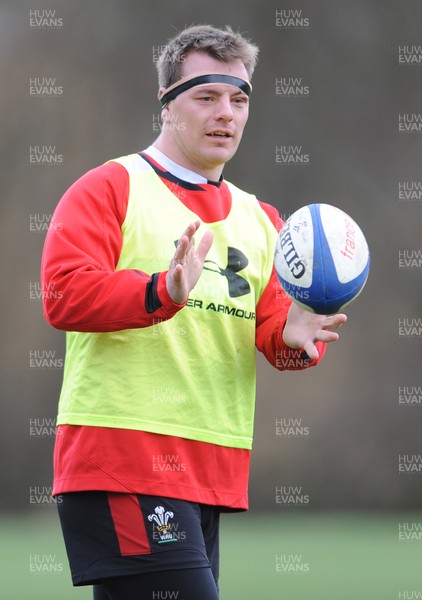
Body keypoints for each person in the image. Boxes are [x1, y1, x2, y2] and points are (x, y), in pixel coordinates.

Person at [41, 24, 347, 600]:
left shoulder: (262, 220)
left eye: (238, 99)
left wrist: (297, 334)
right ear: (166, 105)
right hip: (123, 462)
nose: (224, 113)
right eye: (206, 96)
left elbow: (275, 337)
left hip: (208, 474)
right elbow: (62, 294)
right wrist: (161, 292)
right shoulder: (110, 187)